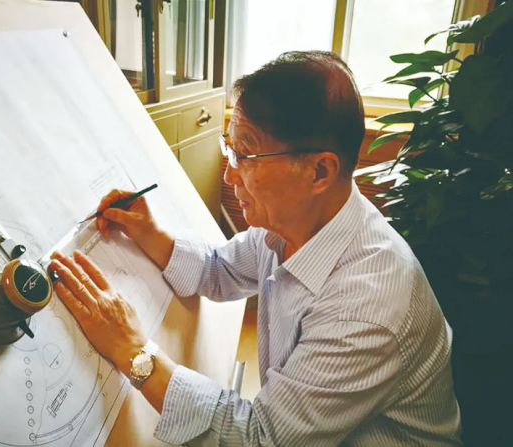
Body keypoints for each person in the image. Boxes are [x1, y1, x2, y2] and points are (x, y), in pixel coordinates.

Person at [49, 51, 462, 446]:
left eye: (246, 154)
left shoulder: (366, 305)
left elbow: (260, 438)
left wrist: (133, 350)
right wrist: (150, 232)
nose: (230, 175)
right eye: (230, 150)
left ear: (320, 171)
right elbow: (220, 268)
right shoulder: (290, 226)